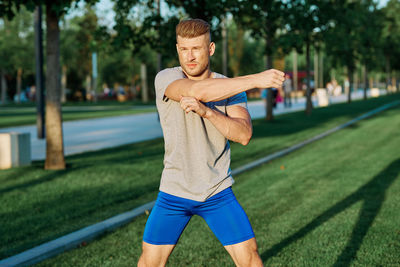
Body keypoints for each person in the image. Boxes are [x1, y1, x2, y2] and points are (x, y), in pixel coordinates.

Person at [138, 19, 284, 267]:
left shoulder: (231, 88)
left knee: (250, 256)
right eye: (184, 49)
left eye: (196, 48)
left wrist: (209, 113)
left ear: (211, 48)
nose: (190, 56)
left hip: (216, 190)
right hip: (174, 191)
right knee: (150, 263)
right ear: (177, 50)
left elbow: (243, 135)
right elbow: (198, 92)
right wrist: (257, 79)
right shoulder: (166, 77)